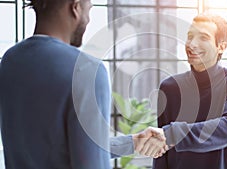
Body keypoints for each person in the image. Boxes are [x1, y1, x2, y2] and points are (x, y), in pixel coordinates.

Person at [0, 0, 166, 169]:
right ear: (76, 7)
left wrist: (132, 142)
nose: (88, 20)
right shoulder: (86, 70)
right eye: (89, 10)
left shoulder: (10, 61)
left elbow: (52, 147)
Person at [153, 14, 227, 169]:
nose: (192, 44)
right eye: (190, 36)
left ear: (221, 47)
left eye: (203, 38)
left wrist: (173, 133)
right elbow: (161, 151)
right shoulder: (169, 87)